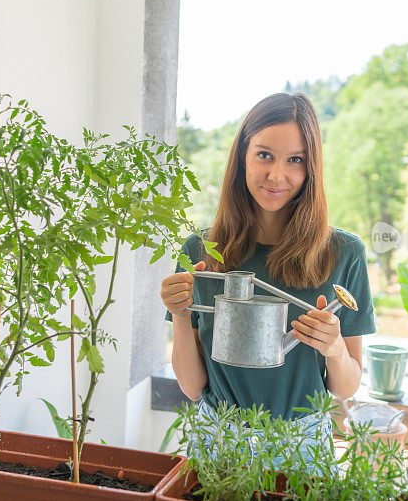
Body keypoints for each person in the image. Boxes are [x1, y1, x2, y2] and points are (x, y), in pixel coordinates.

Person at [160, 93, 376, 455]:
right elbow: (193, 387)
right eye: (264, 155)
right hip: (217, 440)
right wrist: (181, 317)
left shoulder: (343, 253)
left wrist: (335, 348)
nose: (277, 175)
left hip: (303, 445)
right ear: (242, 157)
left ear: (311, 168)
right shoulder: (200, 250)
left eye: (295, 160)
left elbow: (345, 389)